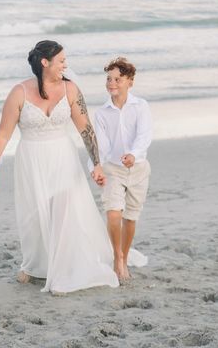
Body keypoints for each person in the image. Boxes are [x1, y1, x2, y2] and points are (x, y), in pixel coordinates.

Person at [0, 40, 119, 294]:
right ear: (45, 63)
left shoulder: (71, 90)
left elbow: (85, 129)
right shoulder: (19, 93)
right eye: (61, 61)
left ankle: (65, 268)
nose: (65, 65)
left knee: (65, 211)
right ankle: (37, 266)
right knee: (34, 213)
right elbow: (3, 135)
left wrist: (97, 164)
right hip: (31, 158)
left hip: (62, 156)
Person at [92, 57, 152, 281]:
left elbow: (144, 136)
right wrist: (95, 168)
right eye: (109, 79)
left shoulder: (141, 106)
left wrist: (133, 155)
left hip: (138, 169)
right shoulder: (101, 113)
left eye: (118, 79)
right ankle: (117, 255)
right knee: (114, 212)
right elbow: (100, 145)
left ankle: (124, 257)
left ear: (130, 82)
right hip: (113, 169)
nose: (112, 83)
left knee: (131, 217)